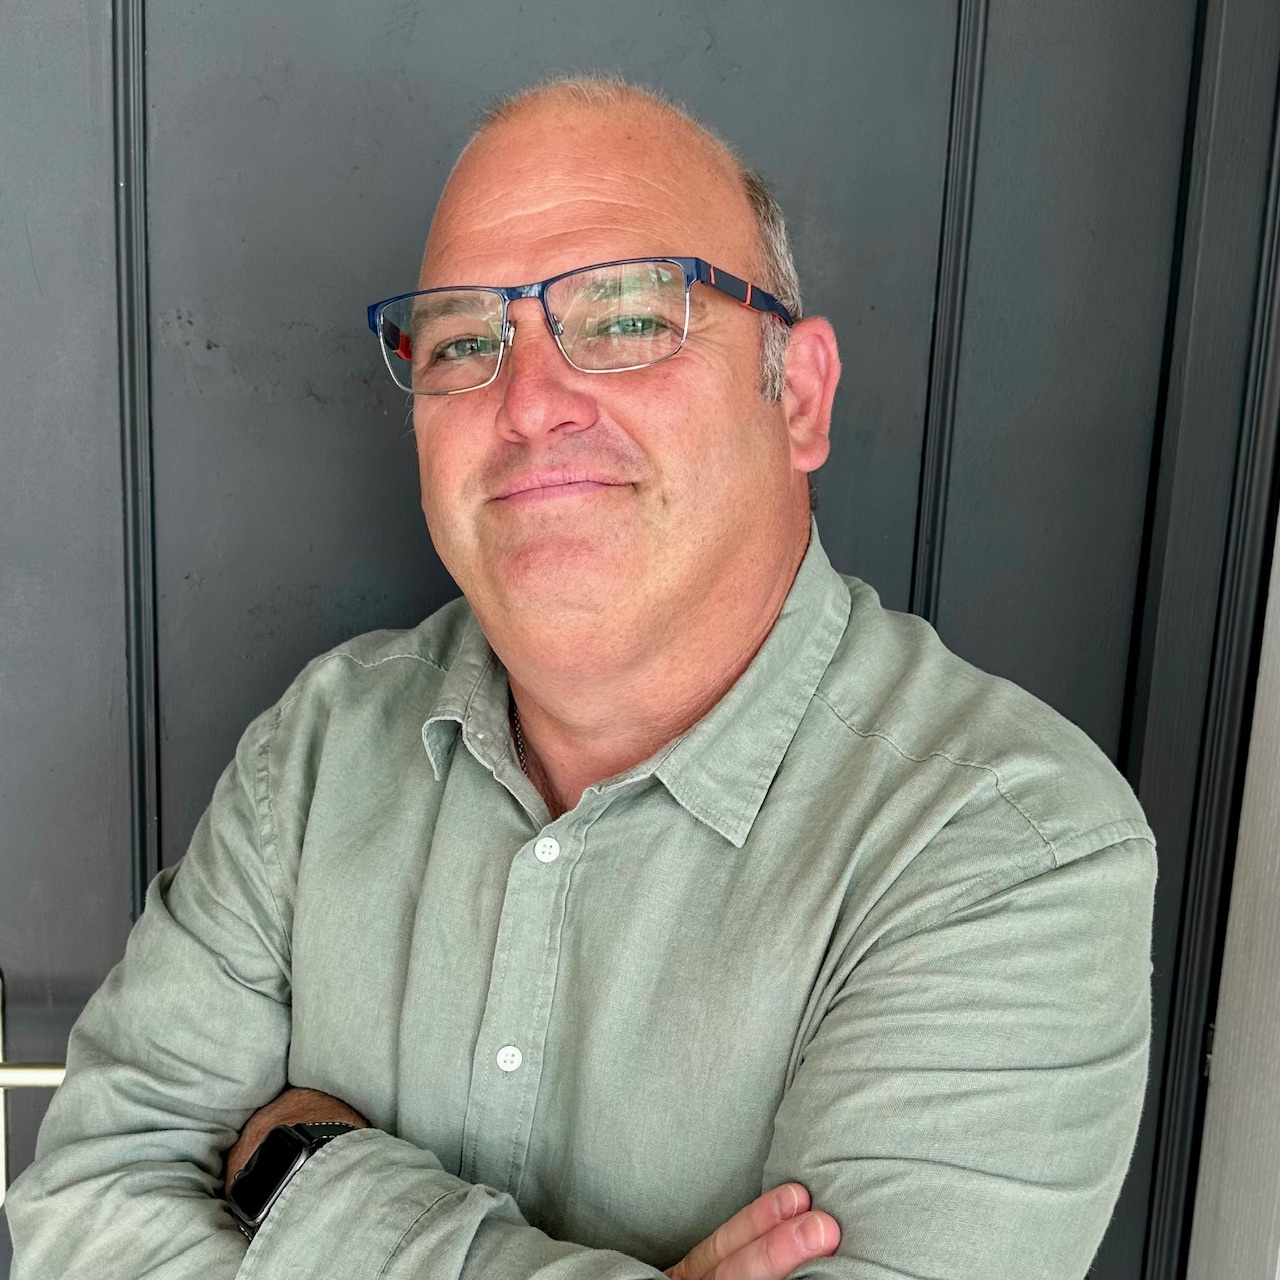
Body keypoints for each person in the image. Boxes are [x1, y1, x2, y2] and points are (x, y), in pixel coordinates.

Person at [7, 76, 1156, 1280]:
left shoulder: (1004, 847)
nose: (529, 402)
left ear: (799, 397)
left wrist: (302, 1168)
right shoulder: (318, 750)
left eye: (626, 319)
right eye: (463, 341)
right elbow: (83, 1215)